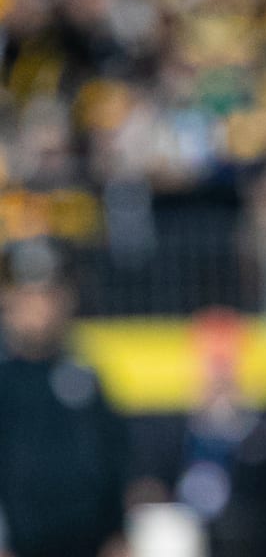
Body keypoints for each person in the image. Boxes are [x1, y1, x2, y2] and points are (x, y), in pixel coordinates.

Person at [0, 238, 129, 557]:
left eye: (48, 295)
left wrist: (118, 532)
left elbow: (114, 459)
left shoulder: (84, 375)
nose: (39, 308)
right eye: (28, 296)